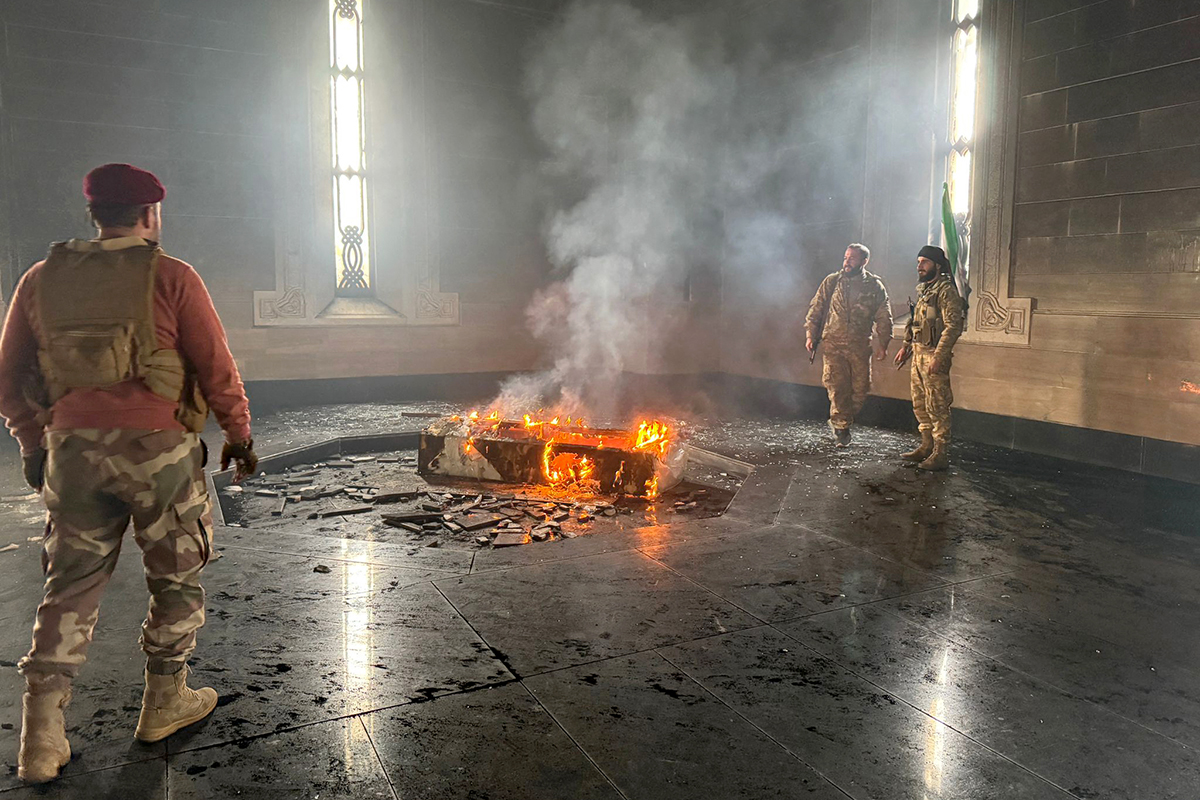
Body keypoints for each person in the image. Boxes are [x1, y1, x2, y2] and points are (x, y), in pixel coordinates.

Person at [0, 163, 259, 783]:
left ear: (95, 213)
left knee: (69, 587)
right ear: (150, 214)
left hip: (72, 456)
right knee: (175, 572)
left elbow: (8, 380)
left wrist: (34, 442)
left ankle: (40, 736)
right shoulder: (171, 276)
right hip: (159, 454)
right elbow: (215, 368)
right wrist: (241, 436)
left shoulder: (40, 280)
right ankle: (163, 701)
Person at [805, 243, 893, 446]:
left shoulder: (874, 286)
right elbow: (817, 308)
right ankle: (841, 427)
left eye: (852, 258)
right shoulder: (832, 282)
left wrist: (884, 343)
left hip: (860, 346)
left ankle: (844, 418)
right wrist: (811, 335)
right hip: (833, 345)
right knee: (836, 387)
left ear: (864, 261)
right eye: (845, 257)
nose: (847, 261)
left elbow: (884, 316)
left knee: (861, 389)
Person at [893, 245, 966, 471]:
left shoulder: (946, 291)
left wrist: (939, 355)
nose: (920, 266)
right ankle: (926, 445)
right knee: (920, 403)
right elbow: (915, 320)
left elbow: (953, 326)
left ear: (936, 264)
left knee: (938, 404)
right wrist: (906, 346)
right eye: (918, 262)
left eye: (924, 262)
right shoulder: (924, 290)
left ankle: (940, 453)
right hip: (918, 353)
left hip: (934, 355)